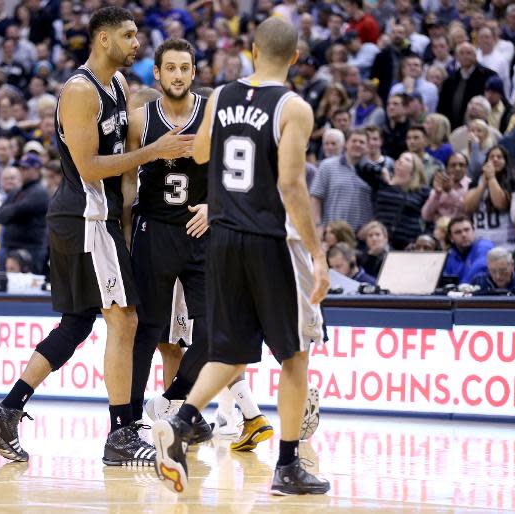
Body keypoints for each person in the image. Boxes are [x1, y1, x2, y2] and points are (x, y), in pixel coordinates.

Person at [0, 7, 193, 466]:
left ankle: (7, 410)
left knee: (76, 325)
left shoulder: (117, 84)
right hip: (86, 219)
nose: (137, 44)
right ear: (103, 40)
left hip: (103, 217)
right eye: (129, 36)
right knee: (125, 320)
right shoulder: (80, 91)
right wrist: (154, 151)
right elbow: (88, 167)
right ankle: (120, 433)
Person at [152, 17, 330, 496]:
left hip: (223, 239)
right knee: (294, 355)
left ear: (253, 50)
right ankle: (288, 465)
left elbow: (204, 154)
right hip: (268, 239)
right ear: (295, 58)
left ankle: (182, 417)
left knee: (231, 352)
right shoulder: (294, 106)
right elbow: (291, 184)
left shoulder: (223, 95)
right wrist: (317, 252)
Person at [125, 39, 271, 450]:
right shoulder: (140, 121)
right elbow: (124, 182)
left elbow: (240, 171)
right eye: (169, 68)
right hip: (153, 231)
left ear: (194, 73)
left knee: (216, 331)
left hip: (202, 232)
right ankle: (130, 421)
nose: (176, 75)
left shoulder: (214, 116)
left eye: (184, 68)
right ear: (157, 73)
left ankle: (172, 399)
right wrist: (122, 236)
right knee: (147, 330)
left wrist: (214, 205)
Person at [463, 145, 515, 249]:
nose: (495, 159)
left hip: (506, 243)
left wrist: (491, 178)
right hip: (480, 241)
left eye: (499, 157)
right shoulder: (477, 181)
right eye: (492, 157)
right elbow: (468, 207)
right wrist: (482, 184)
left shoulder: (514, 182)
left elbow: (500, 204)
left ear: (506, 161)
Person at [442, 215, 494, 284]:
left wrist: (461, 288)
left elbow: (478, 271)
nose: (464, 235)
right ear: (451, 238)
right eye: (458, 232)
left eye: (467, 230)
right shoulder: (450, 255)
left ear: (473, 231)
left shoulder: (484, 247)